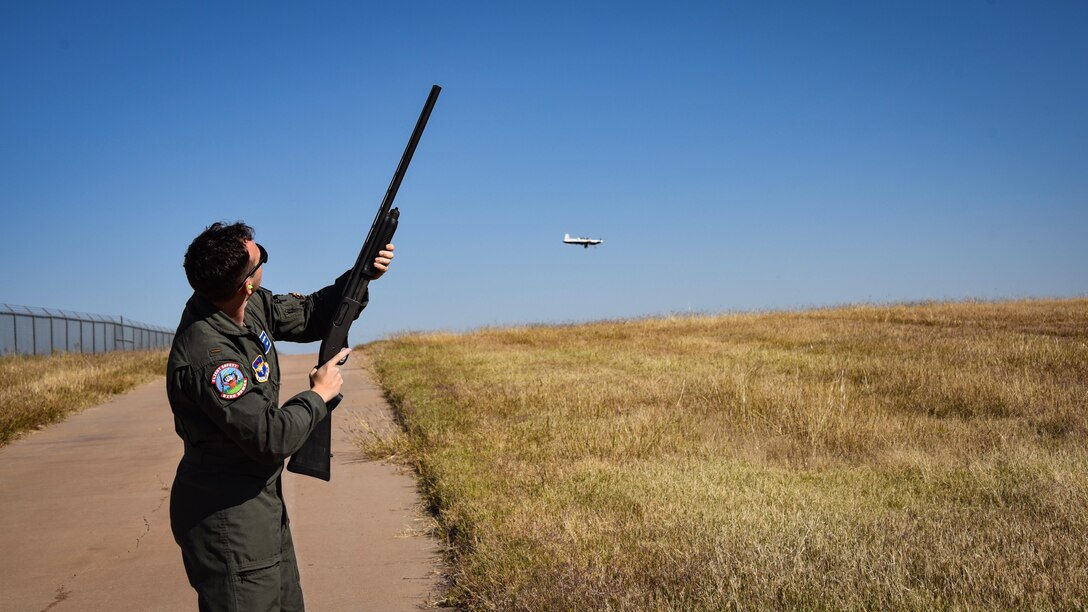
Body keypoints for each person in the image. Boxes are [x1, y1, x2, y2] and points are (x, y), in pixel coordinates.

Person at [166, 221, 394, 611]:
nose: (263, 262)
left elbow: (311, 314)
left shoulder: (245, 305)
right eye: (261, 258)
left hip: (260, 505)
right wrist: (317, 395)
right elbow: (271, 438)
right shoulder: (212, 358)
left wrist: (362, 274)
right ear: (246, 283)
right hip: (229, 519)